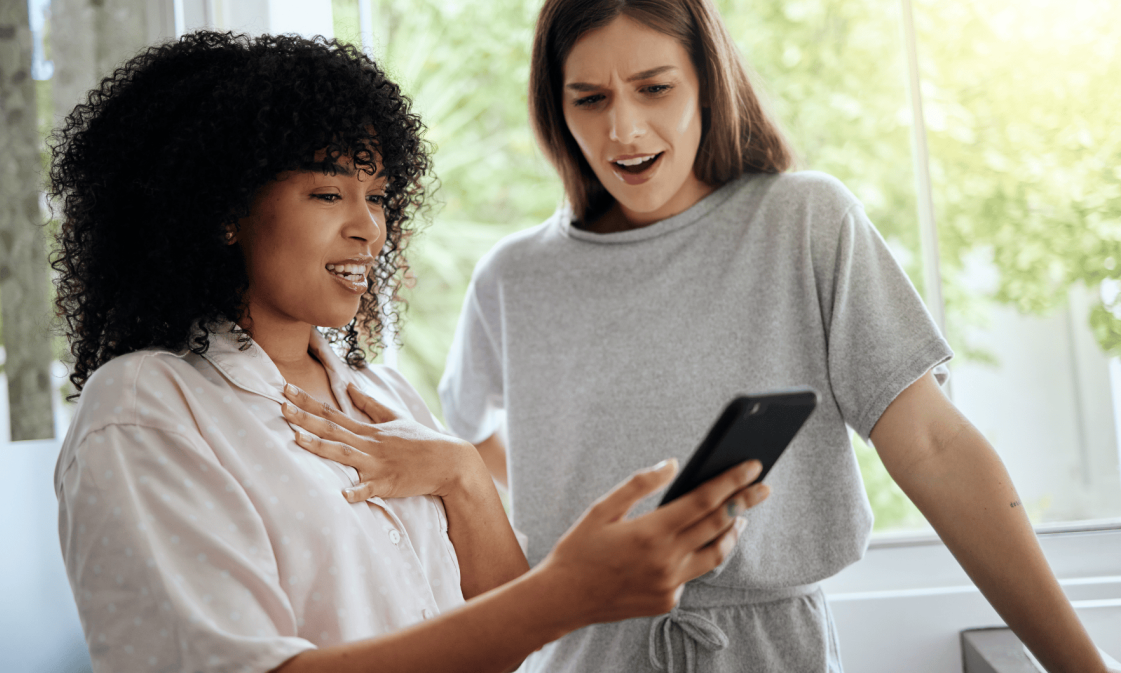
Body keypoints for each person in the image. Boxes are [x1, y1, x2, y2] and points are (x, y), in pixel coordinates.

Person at [49, 31, 772, 673]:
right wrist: (565, 593)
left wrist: (462, 474)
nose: (370, 229)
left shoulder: (384, 393)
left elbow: (508, 634)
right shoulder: (147, 407)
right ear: (225, 209)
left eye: (380, 196)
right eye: (329, 194)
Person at [432, 1, 1116, 672]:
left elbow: (935, 447)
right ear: (557, 109)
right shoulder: (514, 278)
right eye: (589, 99)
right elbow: (468, 441)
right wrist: (576, 516)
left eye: (655, 89)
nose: (624, 130)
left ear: (707, 83)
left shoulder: (806, 223)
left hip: (771, 652)